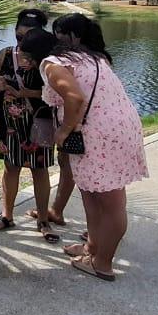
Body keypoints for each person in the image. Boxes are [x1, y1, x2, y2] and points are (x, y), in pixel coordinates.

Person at [19, 27, 147, 281]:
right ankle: (92, 248)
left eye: (25, 56)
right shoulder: (85, 57)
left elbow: (74, 97)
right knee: (90, 194)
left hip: (98, 136)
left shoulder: (51, 65)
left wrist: (64, 131)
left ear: (34, 55)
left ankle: (102, 263)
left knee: (111, 203)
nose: (23, 61)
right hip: (121, 127)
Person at [28, 13, 113, 227]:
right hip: (101, 127)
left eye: (61, 36)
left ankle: (98, 241)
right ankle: (59, 212)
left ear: (74, 36)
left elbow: (74, 97)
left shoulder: (74, 62)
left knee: (93, 188)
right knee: (72, 170)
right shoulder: (96, 58)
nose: (58, 42)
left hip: (87, 129)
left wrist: (64, 130)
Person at [0, 8, 59, 243]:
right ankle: (7, 216)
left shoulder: (49, 59)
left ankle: (43, 219)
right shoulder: (6, 55)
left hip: (39, 121)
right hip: (10, 123)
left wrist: (26, 92)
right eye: (18, 36)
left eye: (27, 37)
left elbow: (56, 94)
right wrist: (0, 86)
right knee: (10, 168)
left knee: (39, 170)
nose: (21, 42)